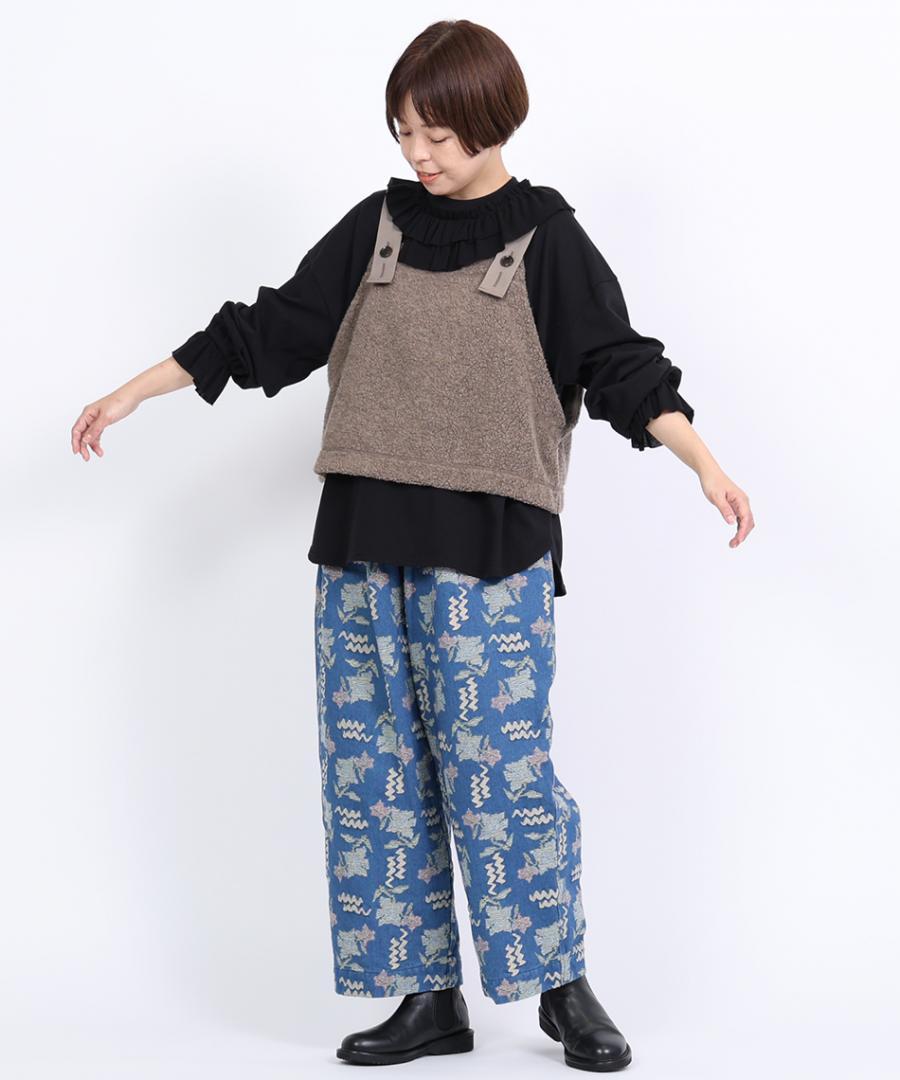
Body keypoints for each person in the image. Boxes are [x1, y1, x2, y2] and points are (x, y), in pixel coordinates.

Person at [70, 18, 754, 1073]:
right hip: (360, 546)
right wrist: (134, 390)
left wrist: (701, 460)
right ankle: (427, 998)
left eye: (437, 133)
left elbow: (621, 364)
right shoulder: (376, 227)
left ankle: (563, 988)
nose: (418, 153)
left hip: (492, 549)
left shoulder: (551, 240)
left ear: (492, 120)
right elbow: (271, 330)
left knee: (503, 776)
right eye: (403, 132)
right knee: (374, 778)